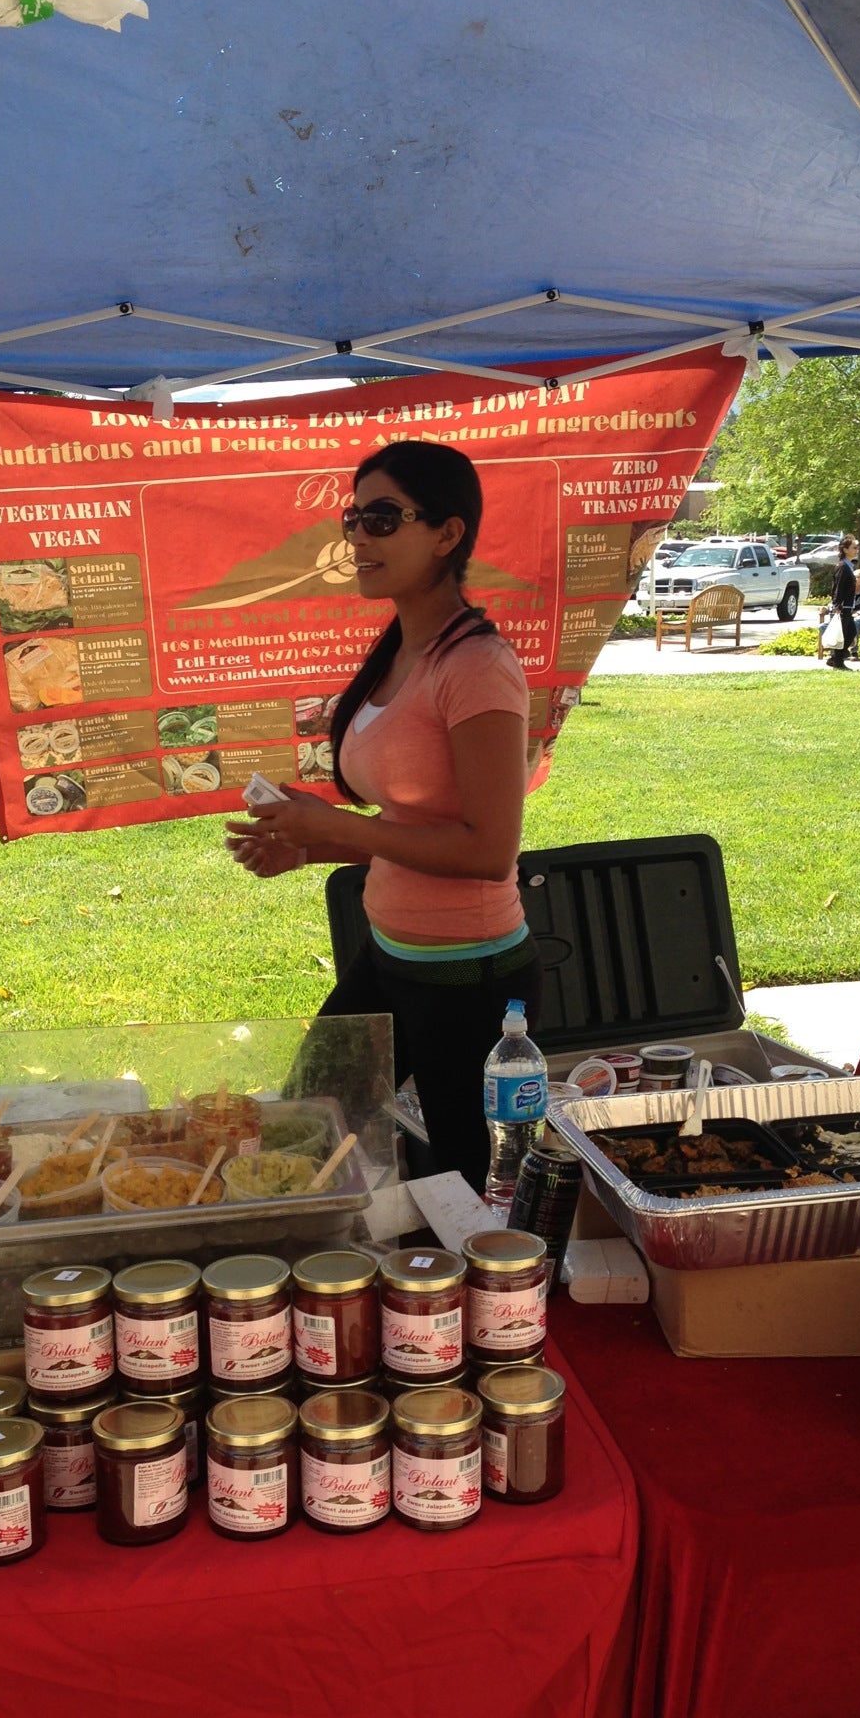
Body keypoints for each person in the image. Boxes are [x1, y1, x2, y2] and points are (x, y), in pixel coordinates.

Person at [224, 441, 539, 1193]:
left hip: (468, 980)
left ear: (447, 534)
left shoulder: (478, 668)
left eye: (383, 517)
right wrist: (314, 842)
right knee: (304, 1127)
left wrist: (339, 832)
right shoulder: (401, 650)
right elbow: (407, 824)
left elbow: (490, 850)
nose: (359, 537)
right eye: (354, 518)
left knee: (471, 1187)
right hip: (392, 957)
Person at [823, 536, 859, 669]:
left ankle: (834, 659)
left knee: (850, 632)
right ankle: (838, 662)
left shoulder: (848, 566)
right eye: (854, 547)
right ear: (845, 549)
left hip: (848, 606)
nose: (856, 550)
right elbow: (838, 587)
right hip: (843, 607)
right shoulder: (842, 567)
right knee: (844, 633)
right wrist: (837, 605)